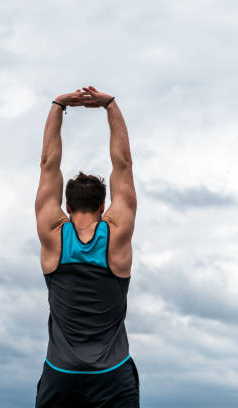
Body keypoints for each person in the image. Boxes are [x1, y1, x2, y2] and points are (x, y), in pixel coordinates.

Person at [34, 86, 139, 407]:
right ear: (104, 203)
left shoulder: (53, 232)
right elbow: (123, 163)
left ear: (65, 204)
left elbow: (48, 163)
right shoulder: (117, 232)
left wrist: (58, 105)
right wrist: (110, 105)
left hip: (61, 372)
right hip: (112, 373)